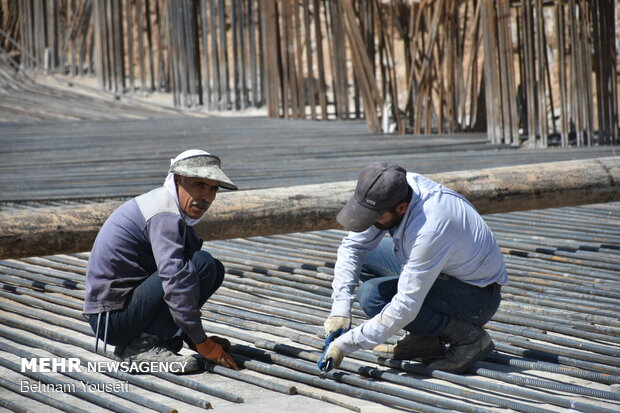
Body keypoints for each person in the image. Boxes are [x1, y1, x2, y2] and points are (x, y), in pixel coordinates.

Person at [322, 161, 507, 373]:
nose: (370, 221)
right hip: (443, 273)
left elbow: (405, 306)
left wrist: (346, 344)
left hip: (475, 298)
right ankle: (426, 339)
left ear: (401, 208)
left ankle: (468, 338)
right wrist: (340, 308)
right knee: (367, 253)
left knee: (373, 296)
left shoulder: (431, 226)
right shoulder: (396, 188)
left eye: (376, 217)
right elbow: (352, 247)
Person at [84, 149, 238, 373]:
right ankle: (139, 348)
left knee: (213, 268)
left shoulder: (167, 207)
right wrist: (202, 342)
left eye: (213, 188)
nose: (206, 196)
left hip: (124, 311)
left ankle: (162, 338)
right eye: (198, 184)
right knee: (202, 264)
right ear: (177, 180)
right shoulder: (163, 214)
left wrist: (193, 337)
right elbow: (175, 281)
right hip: (111, 319)